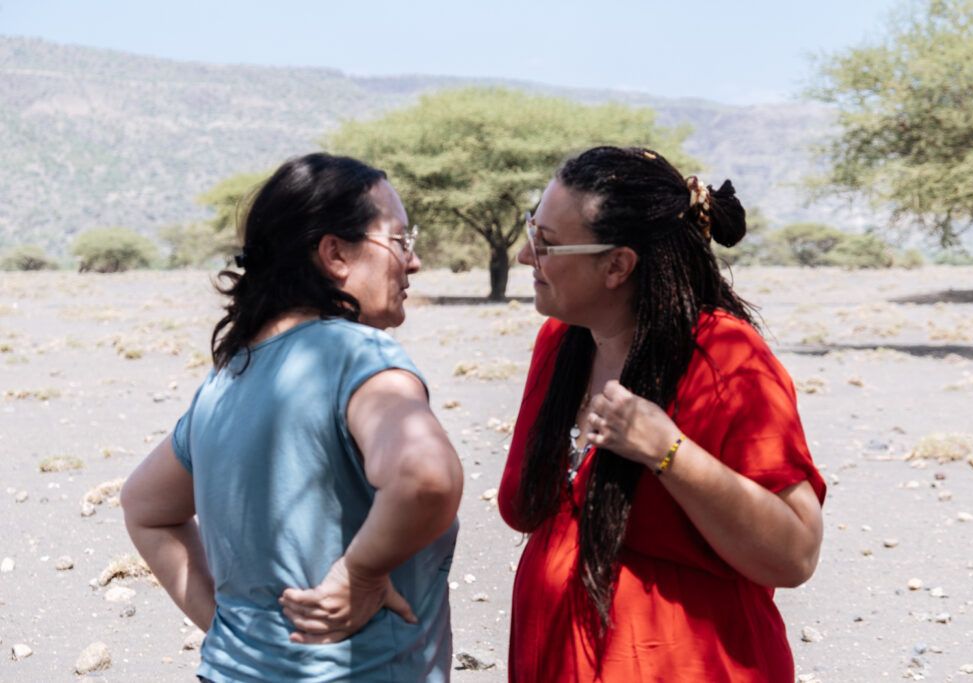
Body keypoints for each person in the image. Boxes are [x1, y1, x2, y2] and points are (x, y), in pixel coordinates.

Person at [121, 153, 463, 682]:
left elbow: (144, 506)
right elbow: (426, 476)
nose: (413, 262)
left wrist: (231, 634)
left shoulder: (227, 378)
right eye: (399, 241)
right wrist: (360, 574)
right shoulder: (359, 357)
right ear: (335, 255)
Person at [498, 146, 826, 682]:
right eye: (533, 230)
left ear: (617, 265)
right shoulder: (561, 343)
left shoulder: (725, 358)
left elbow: (796, 553)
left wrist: (668, 452)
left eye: (546, 243)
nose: (525, 257)